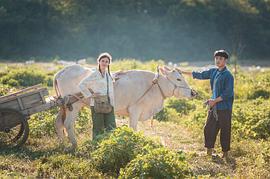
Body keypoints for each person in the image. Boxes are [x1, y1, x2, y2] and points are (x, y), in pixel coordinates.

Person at [181, 50, 234, 159]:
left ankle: (225, 153)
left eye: (220, 59)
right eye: (216, 58)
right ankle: (209, 151)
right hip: (213, 106)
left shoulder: (228, 75)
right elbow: (199, 74)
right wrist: (181, 71)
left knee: (225, 129)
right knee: (209, 128)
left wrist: (214, 100)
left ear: (225, 61)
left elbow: (228, 93)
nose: (218, 61)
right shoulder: (213, 71)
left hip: (224, 108)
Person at [79, 52, 116, 140]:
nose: (104, 63)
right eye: (102, 61)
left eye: (107, 61)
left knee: (111, 126)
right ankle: (96, 145)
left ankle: (109, 146)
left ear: (109, 63)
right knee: (98, 127)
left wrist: (112, 103)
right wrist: (90, 95)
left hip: (108, 103)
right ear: (98, 62)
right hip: (96, 103)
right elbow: (82, 85)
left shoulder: (109, 75)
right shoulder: (94, 74)